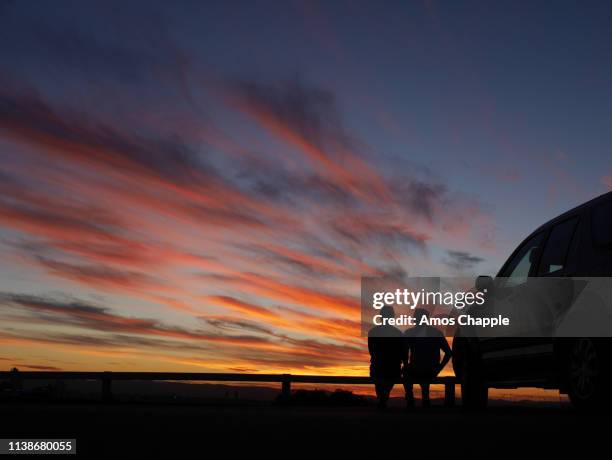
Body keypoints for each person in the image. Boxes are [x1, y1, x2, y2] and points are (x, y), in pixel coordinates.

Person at [403, 308, 451, 408]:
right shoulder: (436, 333)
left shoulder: (409, 333)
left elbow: (403, 353)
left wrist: (406, 364)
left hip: (419, 369)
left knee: (407, 372)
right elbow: (448, 353)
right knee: (418, 372)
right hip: (430, 369)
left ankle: (410, 399)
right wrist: (439, 368)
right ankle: (424, 400)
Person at [367, 305, 404, 409]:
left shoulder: (373, 332)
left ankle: (382, 398)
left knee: (380, 380)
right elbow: (402, 353)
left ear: (381, 316)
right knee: (386, 382)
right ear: (393, 317)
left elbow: (371, 351)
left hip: (378, 368)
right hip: (392, 369)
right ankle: (383, 398)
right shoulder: (398, 333)